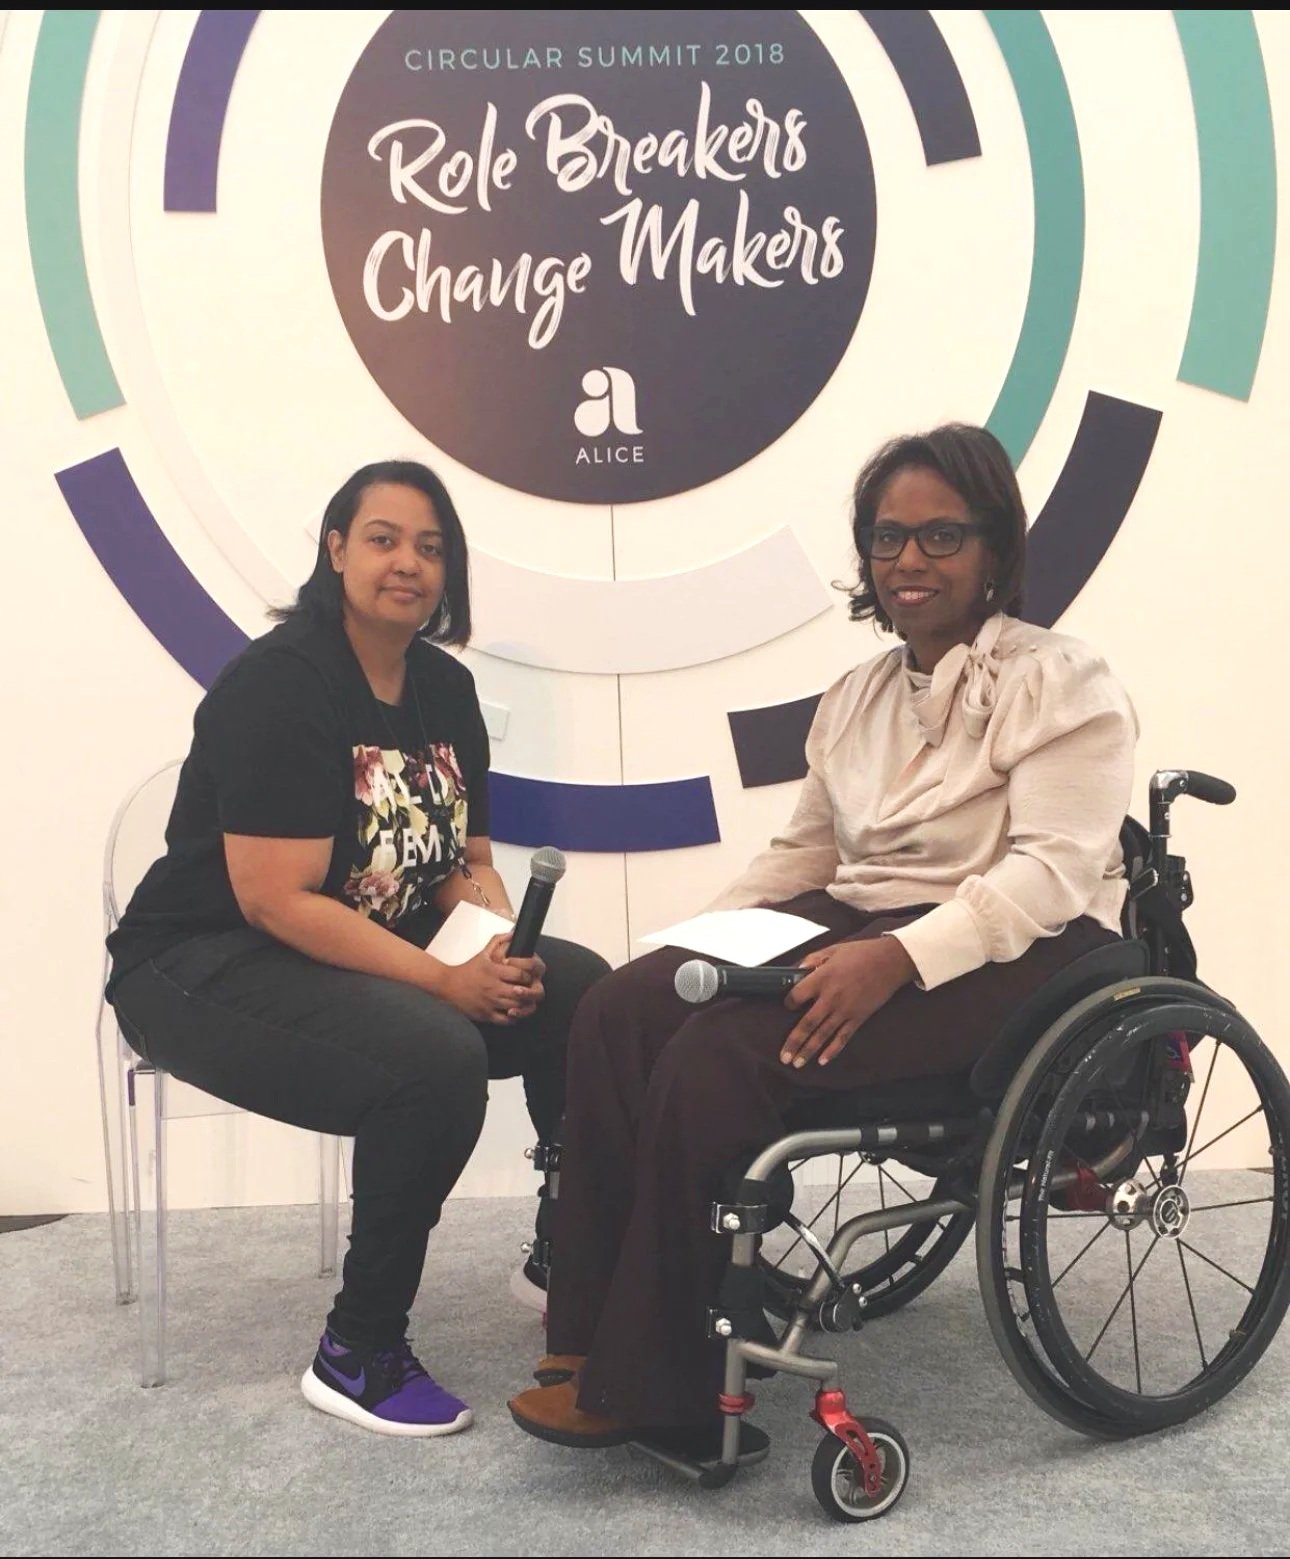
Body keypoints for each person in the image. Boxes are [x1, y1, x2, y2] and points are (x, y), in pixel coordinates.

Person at [507, 423, 1138, 1462]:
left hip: (1022, 944)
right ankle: (585, 1335)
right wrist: (691, 952)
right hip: (869, 914)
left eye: (940, 536)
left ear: (993, 548)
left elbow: (1052, 871)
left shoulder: (1063, 679)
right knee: (621, 1005)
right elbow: (804, 851)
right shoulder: (857, 696)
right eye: (889, 539)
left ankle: (662, 1383)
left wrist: (895, 959)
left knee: (728, 1052)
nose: (909, 562)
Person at [106, 459, 609, 1437]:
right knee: (435, 1056)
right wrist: (443, 983)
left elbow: (465, 861)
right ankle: (357, 1346)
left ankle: (566, 1254)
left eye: (430, 546)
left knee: (581, 987)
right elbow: (274, 900)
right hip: (204, 958)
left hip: (353, 936)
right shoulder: (281, 684)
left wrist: (500, 947)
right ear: (336, 548)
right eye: (383, 537)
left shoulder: (445, 686)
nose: (407, 562)